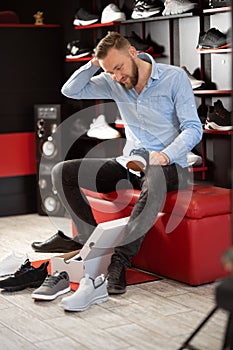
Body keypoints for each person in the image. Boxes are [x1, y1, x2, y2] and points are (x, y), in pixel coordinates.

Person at [32, 31, 203, 294]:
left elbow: (193, 128)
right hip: (130, 162)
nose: (117, 77)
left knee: (155, 177)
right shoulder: (113, 80)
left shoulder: (174, 78)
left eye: (119, 68)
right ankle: (91, 246)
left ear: (133, 52)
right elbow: (70, 90)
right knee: (62, 171)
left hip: (171, 166)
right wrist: (93, 64)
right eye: (110, 71)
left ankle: (120, 261)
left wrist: (165, 155)